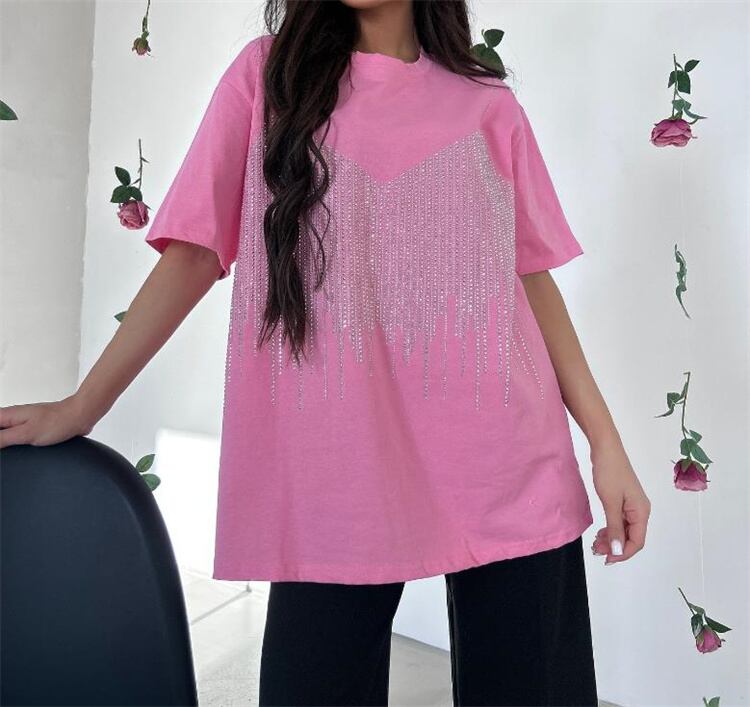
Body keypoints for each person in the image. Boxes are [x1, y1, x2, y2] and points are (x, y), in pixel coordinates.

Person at [0, 0, 651, 705]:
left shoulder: (486, 105)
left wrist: (606, 444)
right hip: (334, 472)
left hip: (509, 465)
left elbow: (528, 280)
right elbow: (194, 253)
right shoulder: (267, 78)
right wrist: (84, 405)